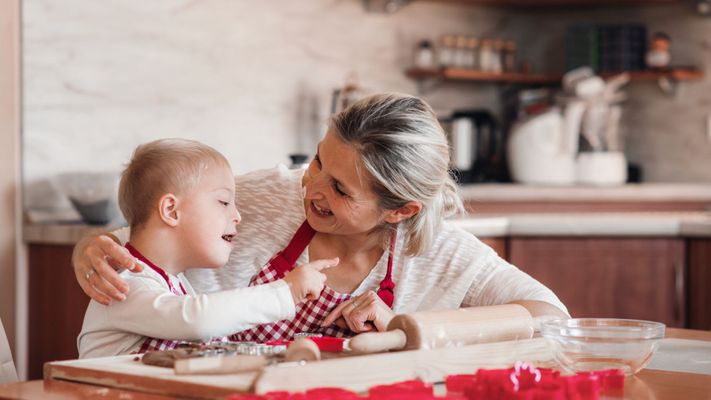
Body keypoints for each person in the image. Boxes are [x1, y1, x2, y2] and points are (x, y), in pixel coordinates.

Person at [73, 93, 568, 342]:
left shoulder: (443, 255)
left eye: (340, 188)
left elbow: (552, 319)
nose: (310, 187)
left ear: (401, 209)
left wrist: (411, 325)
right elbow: (147, 229)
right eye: (317, 160)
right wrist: (90, 249)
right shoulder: (269, 195)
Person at [77, 139, 337, 358]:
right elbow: (197, 320)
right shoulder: (124, 281)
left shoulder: (174, 282)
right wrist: (286, 292)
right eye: (224, 202)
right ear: (171, 210)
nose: (237, 216)